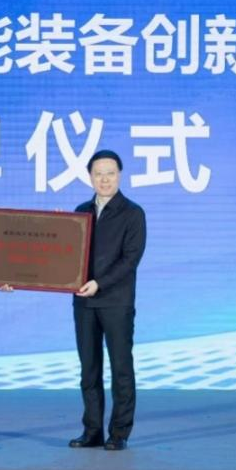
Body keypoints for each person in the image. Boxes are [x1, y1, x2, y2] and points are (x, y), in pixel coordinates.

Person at [69, 150, 146, 451]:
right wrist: (61, 232)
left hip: (116, 302)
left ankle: (119, 432)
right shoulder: (81, 211)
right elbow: (69, 255)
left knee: (121, 368)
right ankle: (92, 430)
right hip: (84, 303)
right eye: (98, 173)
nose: (104, 179)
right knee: (89, 369)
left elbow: (130, 260)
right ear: (90, 176)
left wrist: (99, 283)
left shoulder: (133, 213)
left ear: (119, 175)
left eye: (110, 173)